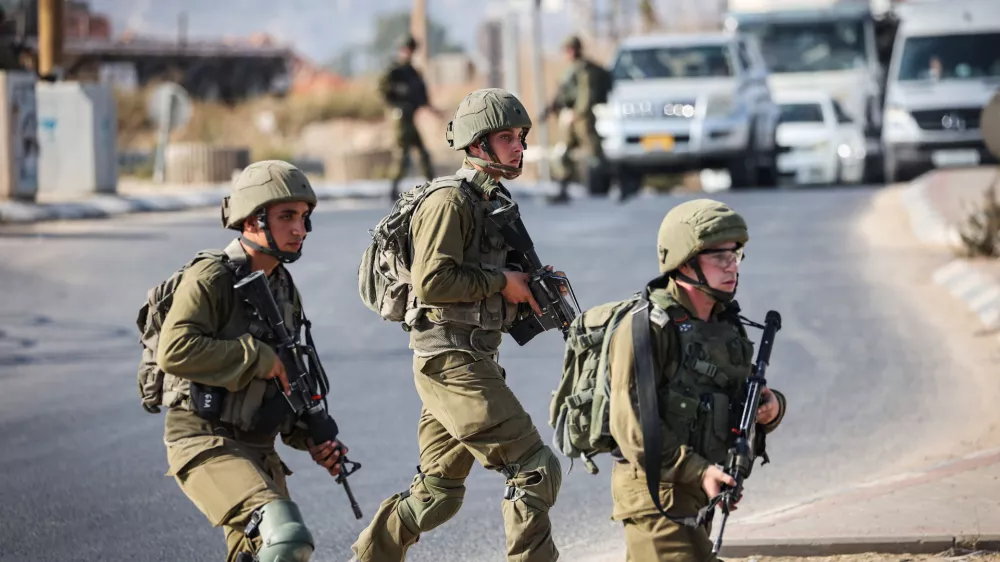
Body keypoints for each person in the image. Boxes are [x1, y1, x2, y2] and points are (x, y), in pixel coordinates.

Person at [350, 88, 562, 562]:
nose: (518, 147)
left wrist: (530, 288)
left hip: (467, 356)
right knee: (534, 467)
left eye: (520, 137)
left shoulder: (492, 201)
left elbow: (487, 290)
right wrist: (501, 281)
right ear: (476, 143)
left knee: (437, 495)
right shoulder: (450, 201)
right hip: (451, 361)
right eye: (505, 137)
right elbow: (434, 281)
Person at [154, 160, 347, 562]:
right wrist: (257, 356)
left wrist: (309, 436)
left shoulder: (281, 285)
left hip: (259, 447)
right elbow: (173, 350)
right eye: (286, 217)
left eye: (304, 217)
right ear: (252, 220)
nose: (299, 229)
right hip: (206, 439)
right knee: (287, 539)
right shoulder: (212, 277)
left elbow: (285, 377)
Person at [607, 198, 787, 561]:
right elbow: (633, 429)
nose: (732, 266)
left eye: (735, 256)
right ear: (685, 262)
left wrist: (772, 408)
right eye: (720, 257)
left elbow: (738, 399)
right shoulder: (646, 329)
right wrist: (699, 470)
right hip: (657, 497)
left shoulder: (725, 325)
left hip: (700, 490)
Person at [543, 35, 611, 204]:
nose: (568, 53)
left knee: (594, 151)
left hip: (582, 119)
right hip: (571, 117)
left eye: (570, 49)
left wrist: (578, 113)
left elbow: (586, 94)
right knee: (563, 152)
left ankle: (604, 185)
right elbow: (563, 93)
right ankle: (562, 188)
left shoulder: (585, 69)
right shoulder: (570, 69)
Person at [379, 34, 444, 199]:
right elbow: (384, 91)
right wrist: (396, 102)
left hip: (410, 118)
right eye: (405, 49)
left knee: (422, 153)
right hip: (400, 118)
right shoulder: (394, 71)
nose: (408, 52)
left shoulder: (413, 73)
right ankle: (393, 189)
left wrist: (432, 109)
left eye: (410, 49)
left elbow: (421, 96)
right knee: (402, 155)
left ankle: (433, 185)